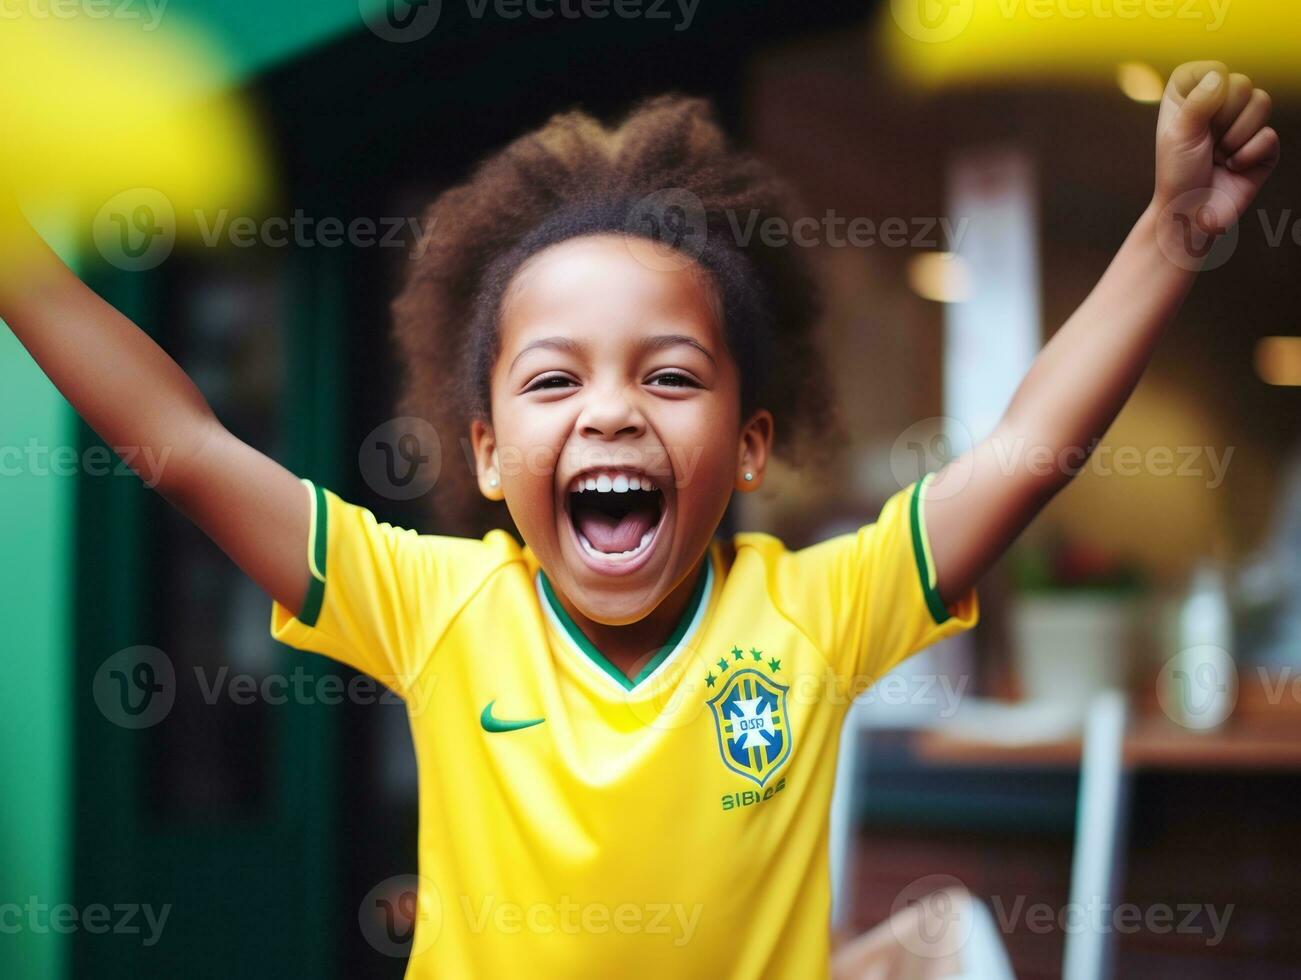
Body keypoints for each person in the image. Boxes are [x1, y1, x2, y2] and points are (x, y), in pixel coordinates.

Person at [0, 61, 1277, 978]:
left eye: (667, 374)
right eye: (555, 379)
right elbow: (186, 448)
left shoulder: (816, 610)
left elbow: (1022, 453)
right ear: (490, 454)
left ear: (752, 443)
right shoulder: (437, 606)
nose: (611, 412)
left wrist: (1166, 239)